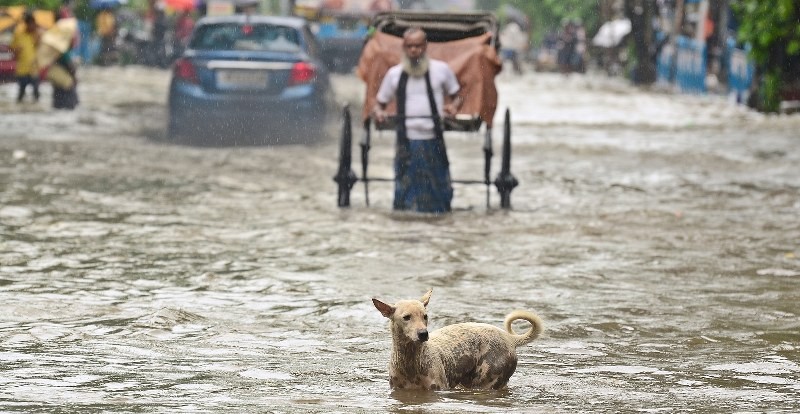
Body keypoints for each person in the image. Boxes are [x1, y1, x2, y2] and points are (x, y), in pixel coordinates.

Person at [372, 27, 464, 214]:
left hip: (433, 139)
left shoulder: (441, 70)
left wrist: (453, 107)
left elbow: (458, 96)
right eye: (410, 46)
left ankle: (439, 215)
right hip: (405, 140)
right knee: (405, 185)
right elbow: (379, 103)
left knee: (438, 184)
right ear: (404, 48)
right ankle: (405, 215)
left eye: (418, 46)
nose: (414, 50)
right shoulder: (394, 74)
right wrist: (379, 113)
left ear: (425, 46)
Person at [10, 12, 41, 103]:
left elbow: (41, 49)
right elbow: (12, 49)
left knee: (36, 92)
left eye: (33, 24)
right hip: (22, 69)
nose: (32, 26)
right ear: (27, 24)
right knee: (21, 92)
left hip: (34, 69)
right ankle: (20, 107)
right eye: (30, 24)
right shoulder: (18, 34)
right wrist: (16, 51)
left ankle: (36, 108)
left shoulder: (37, 35)